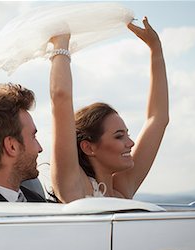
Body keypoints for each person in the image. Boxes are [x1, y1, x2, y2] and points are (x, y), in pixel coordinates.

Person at [49, 17, 169, 202]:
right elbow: (61, 98)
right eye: (119, 136)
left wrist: (155, 49)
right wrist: (61, 43)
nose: (131, 143)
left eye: (126, 134)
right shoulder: (74, 187)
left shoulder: (121, 189)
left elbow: (158, 119)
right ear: (88, 147)